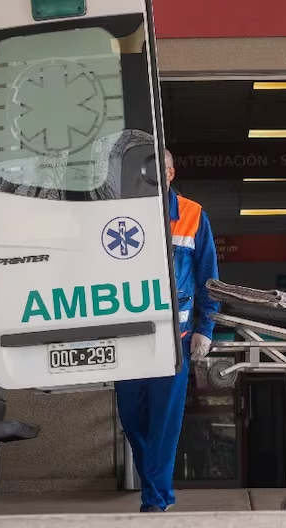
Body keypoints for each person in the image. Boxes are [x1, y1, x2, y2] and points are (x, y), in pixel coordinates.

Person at [115, 148, 219, 513]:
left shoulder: (192, 215)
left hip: (174, 339)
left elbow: (209, 277)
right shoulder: (120, 214)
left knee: (165, 424)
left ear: (171, 174)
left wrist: (206, 328)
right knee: (131, 421)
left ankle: (154, 501)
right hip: (128, 339)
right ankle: (158, 491)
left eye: (158, 171)